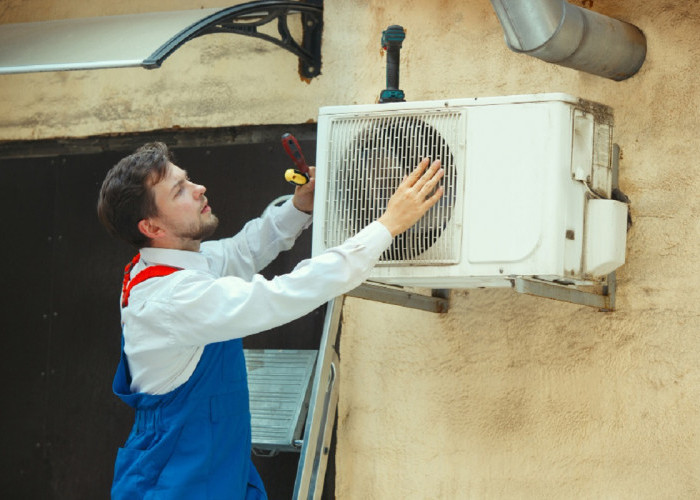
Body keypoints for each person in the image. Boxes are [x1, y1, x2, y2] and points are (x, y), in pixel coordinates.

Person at [97, 141, 444, 499]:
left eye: (188, 180)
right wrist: (386, 226)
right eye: (180, 190)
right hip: (177, 480)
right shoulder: (172, 299)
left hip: (214, 466)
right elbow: (283, 295)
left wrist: (299, 207)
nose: (199, 189)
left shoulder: (171, 266)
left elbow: (240, 251)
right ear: (152, 227)